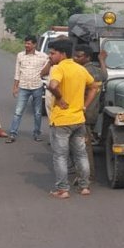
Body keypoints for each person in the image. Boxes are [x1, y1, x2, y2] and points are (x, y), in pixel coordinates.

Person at [46, 39, 98, 198]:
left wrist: (60, 99)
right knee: (81, 154)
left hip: (62, 120)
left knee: (60, 156)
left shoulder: (58, 69)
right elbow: (94, 86)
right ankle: (84, 187)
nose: (50, 56)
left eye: (53, 53)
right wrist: (84, 105)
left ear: (62, 54)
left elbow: (53, 86)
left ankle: (63, 189)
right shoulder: (80, 69)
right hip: (78, 119)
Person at [73, 45, 108, 181]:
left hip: (83, 113)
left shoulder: (82, 72)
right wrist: (102, 60)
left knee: (83, 147)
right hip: (93, 113)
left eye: (79, 56)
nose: (76, 58)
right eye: (75, 55)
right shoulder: (98, 71)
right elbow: (105, 76)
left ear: (87, 57)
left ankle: (87, 175)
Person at [7, 35, 49, 143]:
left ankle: (37, 133)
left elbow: (49, 69)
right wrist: (15, 87)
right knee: (18, 111)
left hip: (37, 86)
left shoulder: (43, 56)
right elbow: (17, 72)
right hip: (24, 87)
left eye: (29, 43)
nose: (26, 45)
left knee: (38, 112)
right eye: (25, 43)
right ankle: (12, 133)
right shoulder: (20, 55)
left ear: (35, 45)